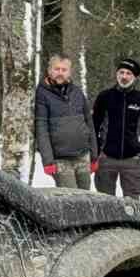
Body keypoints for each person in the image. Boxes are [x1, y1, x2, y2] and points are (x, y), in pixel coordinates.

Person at [92, 57, 140, 199]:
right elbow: (94, 126)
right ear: (116, 74)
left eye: (128, 73)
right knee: (105, 203)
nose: (124, 76)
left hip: (131, 160)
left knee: (133, 204)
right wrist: (97, 152)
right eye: (121, 72)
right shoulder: (105, 97)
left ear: (135, 77)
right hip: (106, 159)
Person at [33, 54, 98, 190]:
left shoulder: (77, 92)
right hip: (60, 159)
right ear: (50, 70)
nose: (60, 73)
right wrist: (48, 160)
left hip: (82, 155)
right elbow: (41, 128)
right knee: (71, 198)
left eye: (64, 69)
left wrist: (94, 156)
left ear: (69, 72)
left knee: (86, 196)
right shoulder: (42, 94)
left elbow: (89, 124)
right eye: (57, 69)